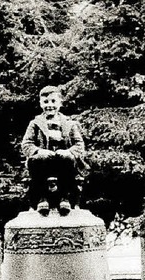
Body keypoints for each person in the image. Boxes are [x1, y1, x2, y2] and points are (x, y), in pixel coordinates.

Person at [21, 86, 88, 216]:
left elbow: (79, 144)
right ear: (40, 104)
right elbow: (26, 144)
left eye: (53, 101)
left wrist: (69, 151)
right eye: (45, 102)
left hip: (63, 162)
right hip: (43, 162)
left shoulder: (70, 123)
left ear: (60, 103)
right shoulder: (35, 123)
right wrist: (39, 151)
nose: (49, 105)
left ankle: (64, 197)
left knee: (67, 159)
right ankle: (42, 198)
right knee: (38, 160)